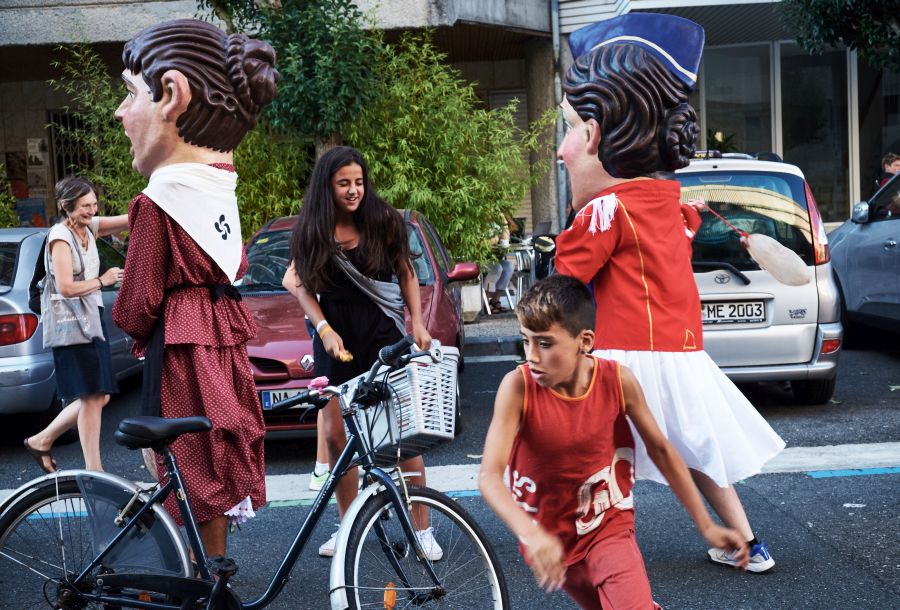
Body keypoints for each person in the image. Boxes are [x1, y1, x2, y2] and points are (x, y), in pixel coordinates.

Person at [553, 13, 785, 573]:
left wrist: (572, 223)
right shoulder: (671, 204)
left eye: (571, 131)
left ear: (602, 135)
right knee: (699, 454)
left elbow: (567, 272)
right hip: (679, 357)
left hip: (623, 356)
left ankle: (595, 550)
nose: (561, 150)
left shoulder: (610, 209)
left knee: (588, 453)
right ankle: (747, 544)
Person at [111, 18, 278, 558]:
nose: (120, 113)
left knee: (189, 457)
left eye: (128, 94)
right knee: (219, 450)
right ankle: (216, 565)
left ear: (170, 95)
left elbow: (137, 302)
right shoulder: (220, 190)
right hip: (223, 340)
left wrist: (132, 327)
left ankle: (201, 570)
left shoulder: (158, 202)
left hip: (182, 346)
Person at [479, 275, 748, 609]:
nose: (531, 355)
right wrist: (531, 534)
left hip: (608, 527)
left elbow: (662, 450)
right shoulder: (517, 388)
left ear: (585, 341)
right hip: (550, 540)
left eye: (545, 343)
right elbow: (490, 475)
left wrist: (706, 525)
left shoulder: (617, 381)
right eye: (526, 341)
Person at [283, 146, 440, 559]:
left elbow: (406, 272)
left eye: (358, 181)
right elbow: (297, 283)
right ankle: (348, 524)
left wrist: (418, 323)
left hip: (382, 333)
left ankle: (422, 529)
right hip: (335, 335)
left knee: (403, 433)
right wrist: (323, 328)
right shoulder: (312, 230)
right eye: (343, 184)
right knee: (337, 437)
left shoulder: (383, 219)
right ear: (327, 187)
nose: (354, 190)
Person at [24, 176, 127, 473]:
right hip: (71, 323)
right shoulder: (60, 236)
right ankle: (95, 469)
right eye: (84, 206)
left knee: (101, 395)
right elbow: (66, 287)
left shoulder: (87, 227)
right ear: (67, 206)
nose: (92, 211)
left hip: (90, 320)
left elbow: (126, 220)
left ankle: (41, 439)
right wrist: (102, 281)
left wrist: (159, 196)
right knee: (92, 396)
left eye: (94, 204)